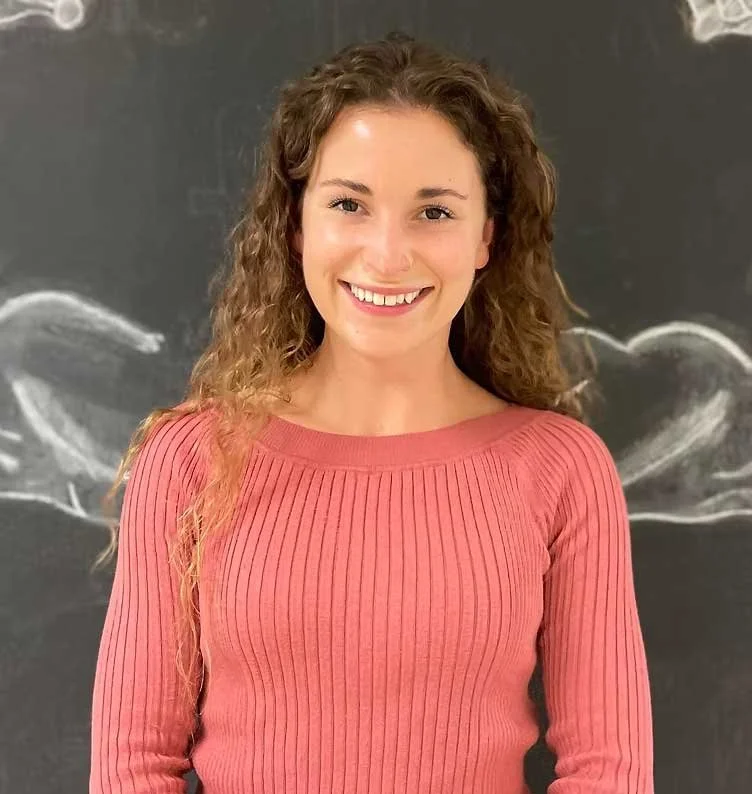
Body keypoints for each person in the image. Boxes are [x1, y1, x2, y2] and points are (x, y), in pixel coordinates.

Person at [89, 31, 654, 794]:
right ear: (297, 225)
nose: (387, 255)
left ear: (486, 237)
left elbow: (609, 772)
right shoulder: (191, 460)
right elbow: (132, 768)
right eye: (349, 204)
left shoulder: (561, 471)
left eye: (434, 212)